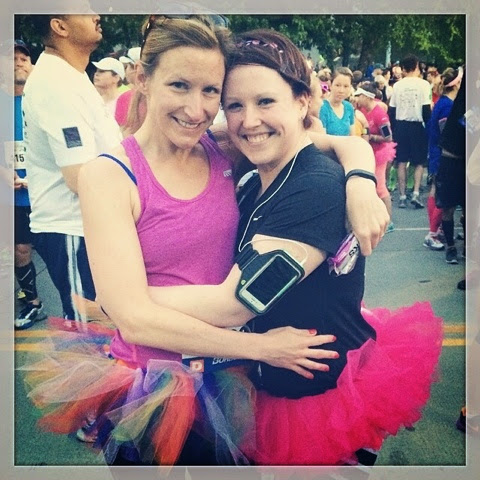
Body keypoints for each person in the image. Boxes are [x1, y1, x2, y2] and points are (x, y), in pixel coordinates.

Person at [20, 16, 389, 466]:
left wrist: (361, 178)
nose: (196, 110)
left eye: (211, 91)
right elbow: (135, 322)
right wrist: (260, 347)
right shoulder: (109, 174)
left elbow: (319, 142)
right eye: (179, 85)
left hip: (231, 379)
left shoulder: (222, 146)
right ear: (143, 79)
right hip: (154, 387)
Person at [146, 29, 442, 466]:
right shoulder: (258, 173)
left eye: (265, 101)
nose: (249, 121)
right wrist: (359, 169)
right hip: (270, 381)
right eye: (234, 105)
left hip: (316, 406)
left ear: (302, 101)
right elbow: (335, 141)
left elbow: (238, 303)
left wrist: (130, 300)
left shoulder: (313, 188)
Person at [22, 14, 123, 321]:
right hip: (72, 229)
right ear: (60, 26)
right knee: (89, 331)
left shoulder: (71, 76)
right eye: (83, 8)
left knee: (106, 326)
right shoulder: (57, 84)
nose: (96, 14)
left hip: (87, 227)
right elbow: (80, 177)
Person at [12, 40, 47, 329]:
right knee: (20, 250)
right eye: (11, 58)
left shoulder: (42, 99)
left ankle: (85, 307)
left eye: (24, 58)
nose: (18, 62)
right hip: (13, 194)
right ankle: (33, 303)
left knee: (60, 252)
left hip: (48, 193)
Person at [424, 67, 461, 252]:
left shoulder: (444, 102)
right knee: (442, 195)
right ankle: (432, 233)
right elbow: (446, 134)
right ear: (458, 84)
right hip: (442, 154)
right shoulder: (447, 106)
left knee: (436, 191)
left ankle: (436, 230)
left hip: (436, 151)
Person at [388, 54, 432, 209]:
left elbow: (391, 109)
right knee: (419, 162)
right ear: (417, 66)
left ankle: (401, 195)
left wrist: (394, 128)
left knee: (401, 161)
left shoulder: (397, 86)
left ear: (403, 68)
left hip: (401, 125)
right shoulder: (424, 84)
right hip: (417, 125)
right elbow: (426, 110)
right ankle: (415, 193)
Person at [354, 82, 396, 233]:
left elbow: (388, 137)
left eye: (359, 96)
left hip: (379, 153)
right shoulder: (361, 110)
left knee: (380, 188)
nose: (356, 99)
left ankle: (389, 221)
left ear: (366, 97)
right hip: (366, 152)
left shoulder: (380, 114)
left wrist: (371, 136)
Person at [436, 67, 466, 265]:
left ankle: (467, 247)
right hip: (450, 161)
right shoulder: (457, 106)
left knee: (469, 209)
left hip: (467, 163)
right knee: (448, 207)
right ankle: (450, 246)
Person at [319, 67, 355, 136]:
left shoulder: (349, 107)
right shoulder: (322, 107)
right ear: (331, 85)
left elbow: (352, 136)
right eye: (337, 85)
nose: (341, 90)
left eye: (346, 86)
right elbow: (322, 138)